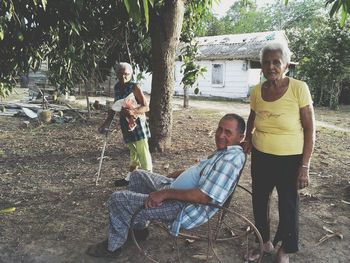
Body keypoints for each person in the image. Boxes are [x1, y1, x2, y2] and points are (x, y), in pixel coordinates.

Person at [87, 114, 246, 258]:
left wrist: (165, 194)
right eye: (220, 129)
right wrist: (183, 173)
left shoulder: (230, 161)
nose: (220, 135)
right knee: (137, 176)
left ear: (240, 137)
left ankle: (112, 248)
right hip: (175, 189)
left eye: (228, 132)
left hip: (182, 206)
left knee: (118, 199)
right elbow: (206, 173)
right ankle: (139, 229)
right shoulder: (227, 152)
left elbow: (203, 197)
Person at [244, 42, 315, 263]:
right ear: (262, 67)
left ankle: (286, 248)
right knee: (259, 200)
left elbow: (310, 128)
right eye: (266, 62)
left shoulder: (299, 88)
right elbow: (252, 118)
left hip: (290, 159)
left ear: (285, 65)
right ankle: (264, 242)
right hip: (261, 155)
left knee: (288, 204)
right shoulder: (257, 91)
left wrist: (304, 166)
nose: (271, 66)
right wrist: (248, 138)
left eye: (276, 62)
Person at [99, 62, 152, 187]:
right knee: (134, 152)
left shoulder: (134, 87)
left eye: (126, 74)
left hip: (137, 123)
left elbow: (146, 107)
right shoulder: (117, 87)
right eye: (121, 74)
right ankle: (130, 178)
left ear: (131, 74)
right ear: (117, 74)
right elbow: (115, 105)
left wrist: (133, 111)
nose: (123, 77)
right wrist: (106, 123)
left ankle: (150, 179)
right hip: (125, 123)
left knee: (143, 152)